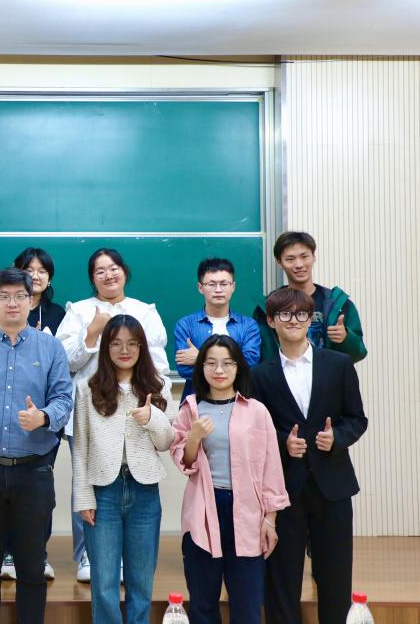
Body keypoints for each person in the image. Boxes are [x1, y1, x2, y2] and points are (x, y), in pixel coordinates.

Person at [0, 268, 74, 624]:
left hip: (34, 471)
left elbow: (65, 399)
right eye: (4, 296)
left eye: (20, 296)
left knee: (32, 567)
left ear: (31, 300)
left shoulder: (50, 347)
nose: (12, 303)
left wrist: (44, 417)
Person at [250, 288, 368, 624]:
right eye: (284, 314)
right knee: (282, 579)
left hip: (333, 485)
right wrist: (283, 442)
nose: (293, 320)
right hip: (284, 490)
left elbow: (357, 419)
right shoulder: (260, 375)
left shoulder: (338, 365)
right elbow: (255, 431)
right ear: (271, 321)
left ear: (309, 319)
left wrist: (337, 438)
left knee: (335, 577)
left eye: (301, 314)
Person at [56, 247, 171, 583]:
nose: (109, 275)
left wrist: (156, 402)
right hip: (92, 408)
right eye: (100, 270)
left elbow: (157, 363)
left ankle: (124, 561)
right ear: (92, 278)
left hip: (135, 409)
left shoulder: (144, 311)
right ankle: (88, 555)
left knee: (134, 482)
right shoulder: (78, 311)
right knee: (88, 481)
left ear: (125, 271)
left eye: (114, 268)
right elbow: (64, 361)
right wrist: (92, 333)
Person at [171, 335, 290, 624]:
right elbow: (185, 462)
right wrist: (194, 437)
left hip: (247, 511)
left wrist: (270, 519)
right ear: (201, 367)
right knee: (202, 605)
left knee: (247, 606)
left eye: (227, 363)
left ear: (238, 368)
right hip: (204, 509)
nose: (219, 370)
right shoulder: (191, 408)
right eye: (211, 363)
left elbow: (271, 468)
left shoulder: (256, 411)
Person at [72, 314, 173, 624]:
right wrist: (83, 497)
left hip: (144, 491)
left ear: (142, 347)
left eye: (132, 344)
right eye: (116, 344)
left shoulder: (157, 385)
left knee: (141, 581)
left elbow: (166, 442)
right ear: (106, 348)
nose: (124, 350)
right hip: (103, 490)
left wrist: (152, 418)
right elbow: (80, 445)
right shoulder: (88, 388)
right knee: (104, 582)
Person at [0, 247, 71, 580]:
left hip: (45, 420)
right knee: (4, 495)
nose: (35, 275)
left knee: (38, 496)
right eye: (28, 269)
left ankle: (37, 553)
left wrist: (46, 416)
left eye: (42, 270)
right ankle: (8, 554)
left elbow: (64, 365)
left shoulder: (59, 313)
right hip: (4, 421)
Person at [253, 231, 367, 363]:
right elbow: (259, 355)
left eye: (304, 257)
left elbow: (359, 353)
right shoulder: (268, 307)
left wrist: (346, 338)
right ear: (279, 262)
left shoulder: (339, 304)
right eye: (290, 259)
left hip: (326, 375)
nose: (299, 265)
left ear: (313, 257)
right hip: (281, 375)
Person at [174, 258, 261, 398]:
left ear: (233, 287)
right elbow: (184, 369)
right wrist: (230, 365)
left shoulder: (248, 326)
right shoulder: (185, 325)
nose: (218, 290)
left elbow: (250, 366)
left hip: (239, 401)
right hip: (197, 401)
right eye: (211, 284)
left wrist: (200, 358)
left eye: (224, 284)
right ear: (200, 288)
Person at [0, 247, 66, 334]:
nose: (35, 277)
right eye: (29, 270)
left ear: (49, 279)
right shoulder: (4, 309)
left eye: (42, 271)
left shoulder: (57, 313)